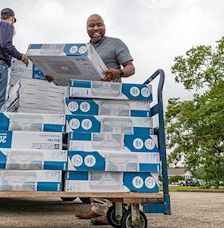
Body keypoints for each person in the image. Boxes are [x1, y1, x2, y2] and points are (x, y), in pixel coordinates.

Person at [74, 14, 135, 226]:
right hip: (91, 106)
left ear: (105, 26)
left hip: (113, 106)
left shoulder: (116, 44)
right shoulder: (84, 50)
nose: (95, 28)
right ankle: (99, 209)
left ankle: (115, 206)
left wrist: (118, 72)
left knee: (114, 152)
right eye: (91, 25)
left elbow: (130, 68)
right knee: (94, 152)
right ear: (86, 29)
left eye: (99, 24)